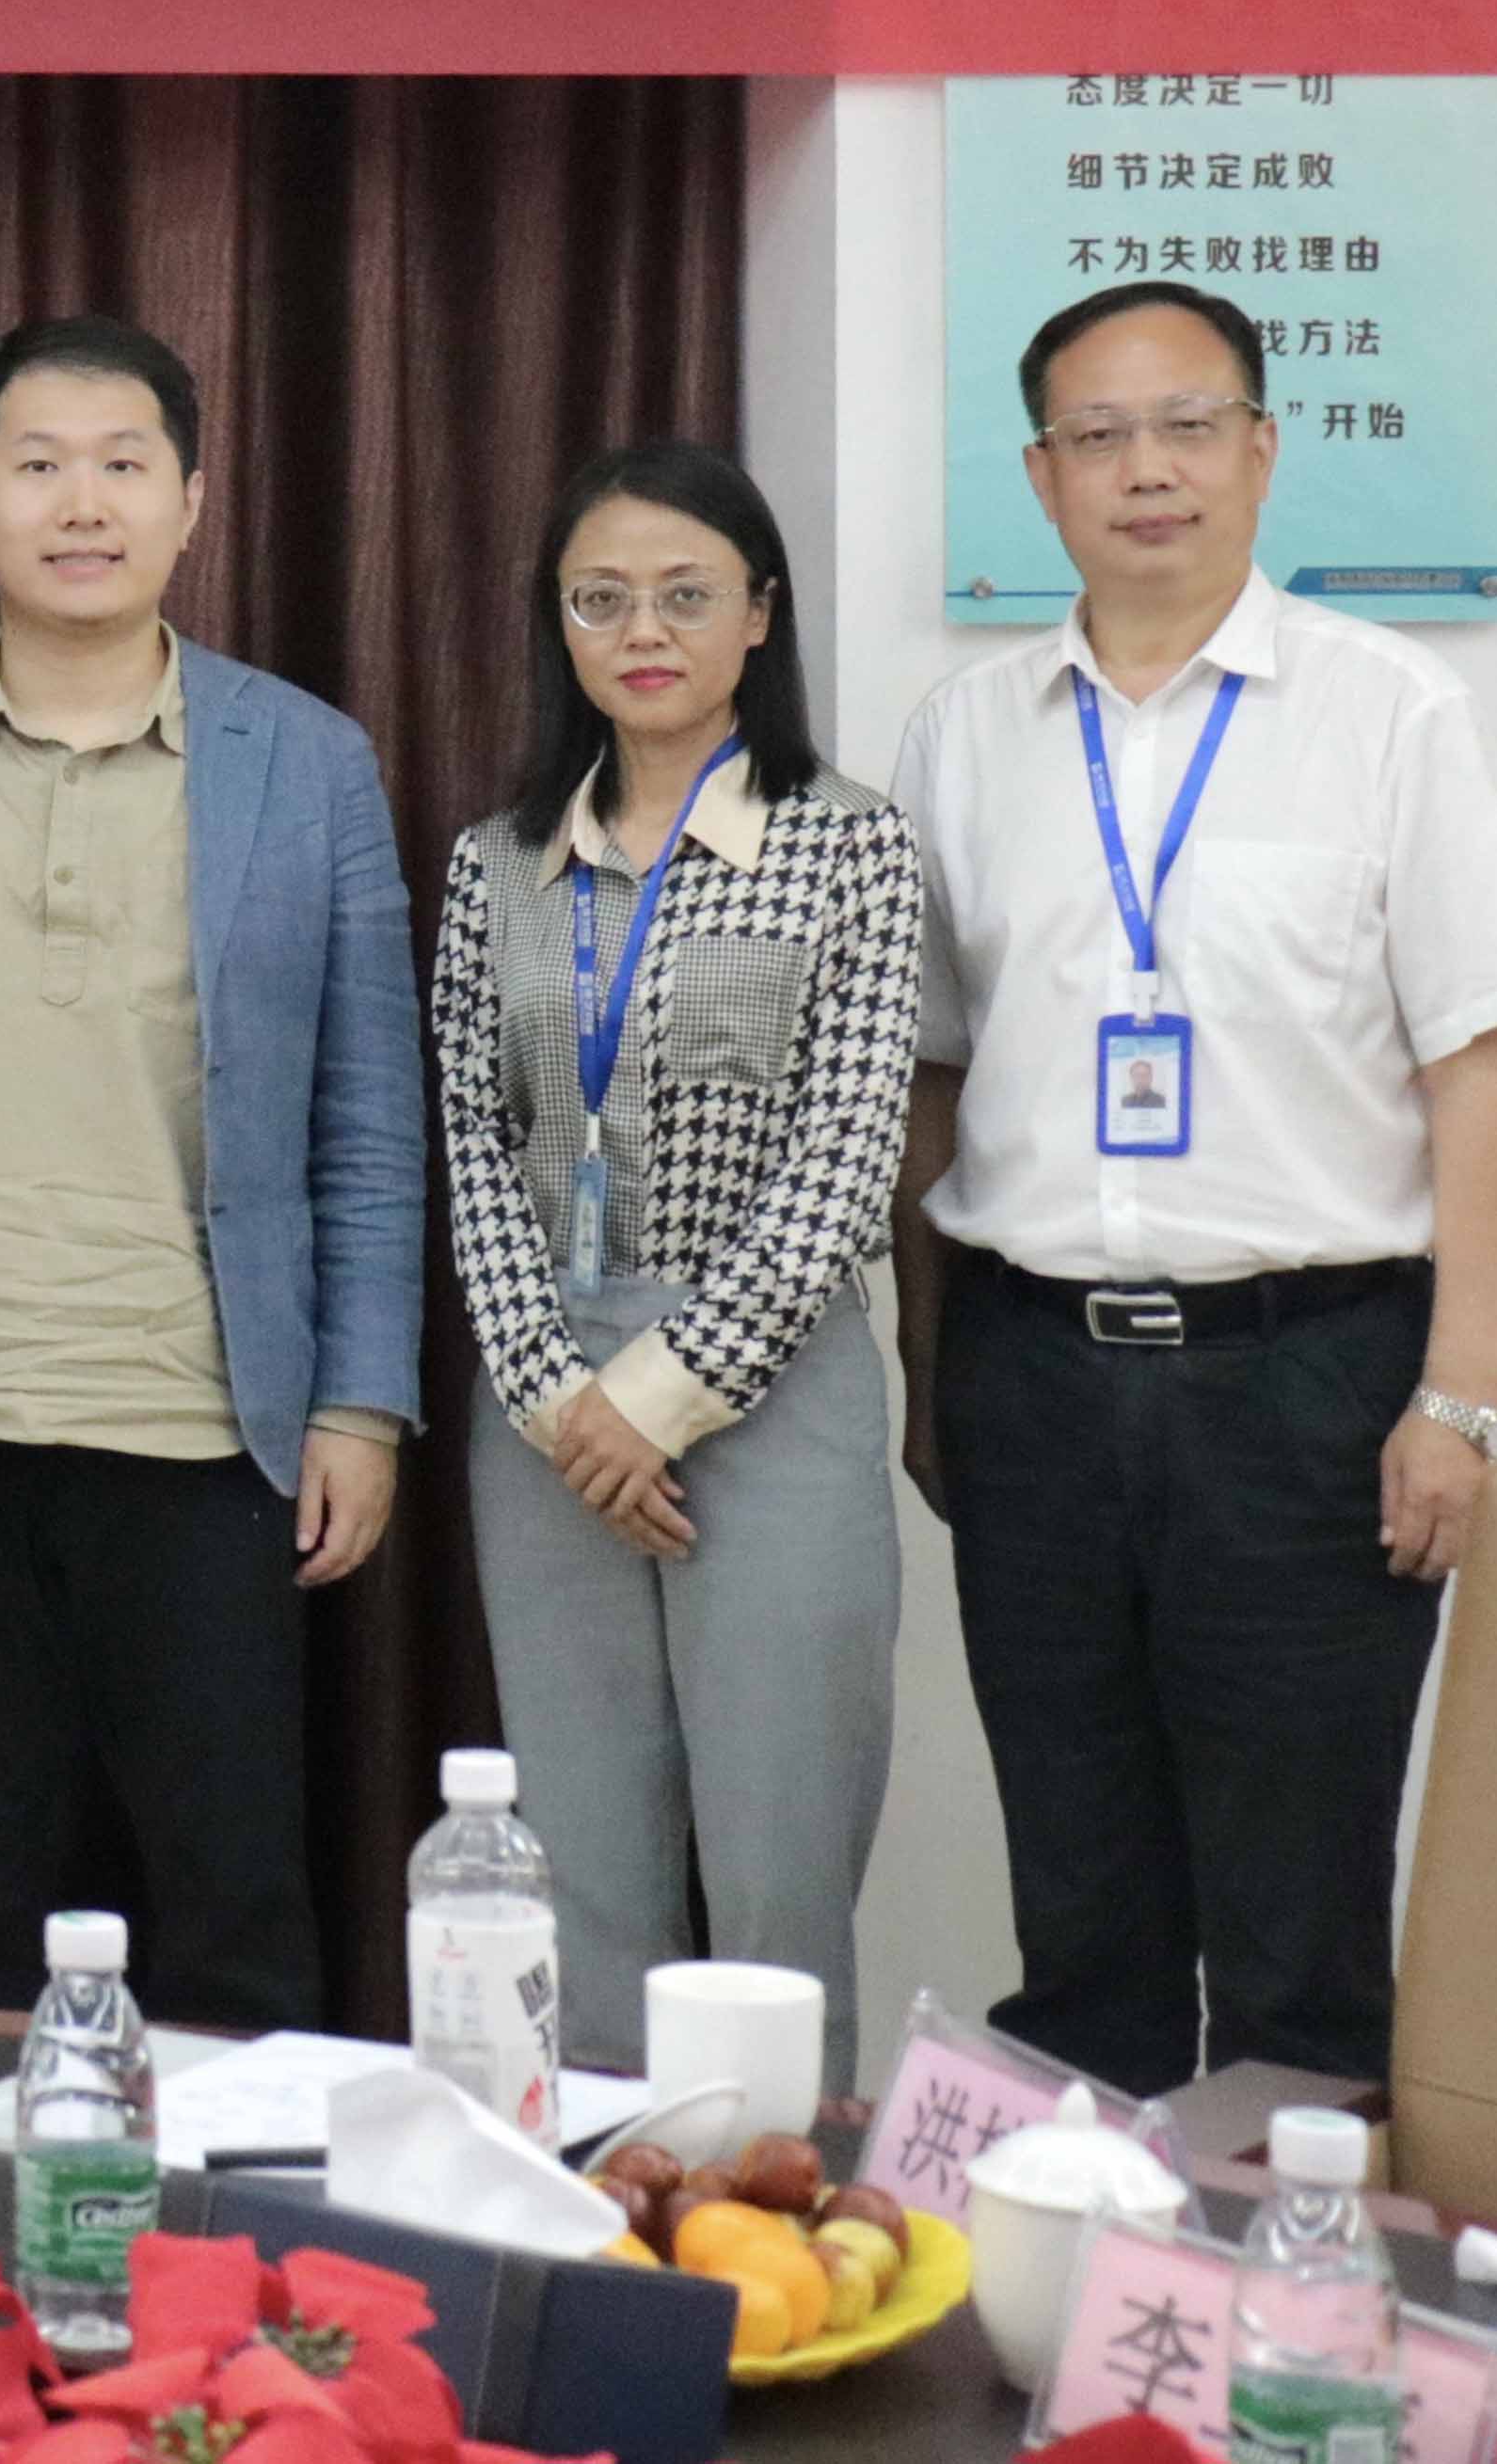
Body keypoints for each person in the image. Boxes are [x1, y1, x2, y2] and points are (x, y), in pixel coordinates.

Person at [894, 278, 1497, 2091]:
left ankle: (1297, 2280)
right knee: (1082, 1927)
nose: (1149, 469)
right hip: (1032, 1380)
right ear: (1040, 476)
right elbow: (932, 1079)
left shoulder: (1389, 712)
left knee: (1299, 1943)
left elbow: (1485, 1069)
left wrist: (1463, 1396)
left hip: (1310, 1386)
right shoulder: (963, 736)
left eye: (1189, 425)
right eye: (1100, 434)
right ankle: (1078, 2269)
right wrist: (928, 1373)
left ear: (1263, 451)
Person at [0, 310, 423, 2027]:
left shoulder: (309, 758)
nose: (82, 503)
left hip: (207, 1431)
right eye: (37, 464)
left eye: (125, 464)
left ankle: (242, 2210)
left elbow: (368, 1112)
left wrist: (359, 1403)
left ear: (191, 500)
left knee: (231, 1909)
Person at [426, 441, 922, 2092]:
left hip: (768, 1388)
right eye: (602, 598)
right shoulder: (495, 861)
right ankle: (603, 2200)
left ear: (759, 614)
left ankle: (789, 2211)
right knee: (579, 1872)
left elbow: (848, 1161)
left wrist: (654, 1399)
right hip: (543, 1404)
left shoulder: (852, 846)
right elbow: (473, 1141)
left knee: (779, 1866)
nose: (643, 629)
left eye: (686, 593)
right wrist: (558, 1392)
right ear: (559, 624)